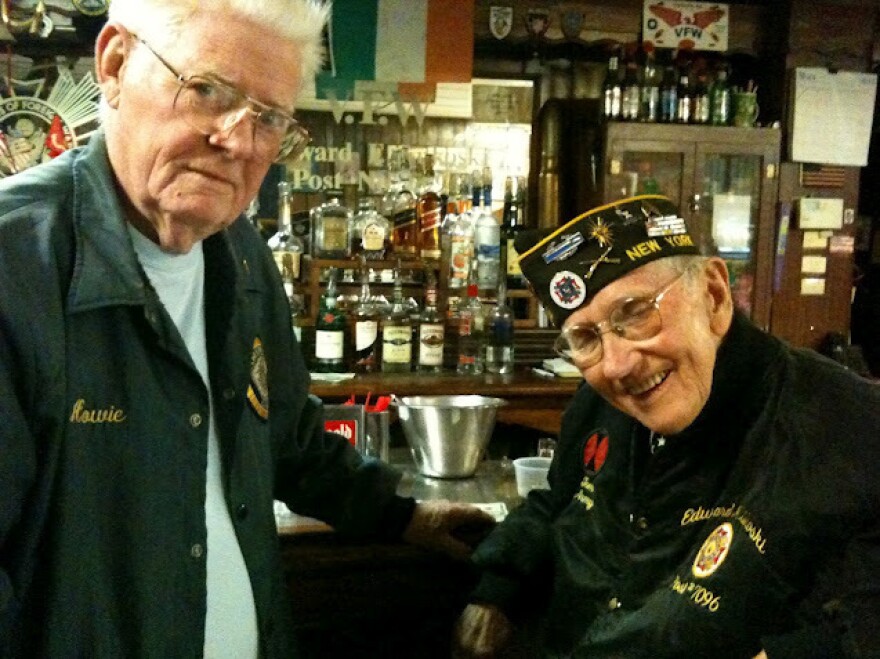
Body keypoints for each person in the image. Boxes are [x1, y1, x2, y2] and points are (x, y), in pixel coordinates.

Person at [0, 1, 495, 656]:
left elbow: (288, 441)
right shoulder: (16, 268)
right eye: (207, 90)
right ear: (115, 64)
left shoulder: (241, 253)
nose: (237, 140)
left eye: (269, 119)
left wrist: (405, 516)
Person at [454, 195, 880, 658]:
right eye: (585, 339)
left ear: (714, 296)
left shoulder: (847, 425)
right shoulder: (599, 405)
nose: (616, 365)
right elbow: (559, 503)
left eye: (635, 314)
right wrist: (496, 589)